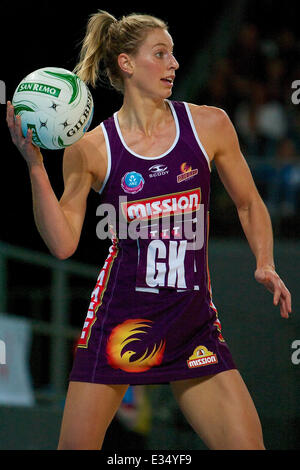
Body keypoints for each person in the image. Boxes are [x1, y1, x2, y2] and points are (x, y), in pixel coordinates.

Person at [6, 10, 291, 451]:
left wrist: (265, 261)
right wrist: (36, 168)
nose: (174, 64)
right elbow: (62, 243)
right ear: (126, 63)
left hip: (192, 320)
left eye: (174, 55)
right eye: (160, 54)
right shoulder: (90, 147)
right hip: (121, 318)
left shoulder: (208, 124)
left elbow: (250, 203)